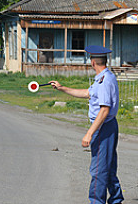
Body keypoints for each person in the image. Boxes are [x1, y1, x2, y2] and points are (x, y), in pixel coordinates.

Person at [50, 45, 124, 204]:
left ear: (93, 62)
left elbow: (104, 110)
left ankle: (97, 201)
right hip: (107, 126)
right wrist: (62, 88)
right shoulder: (104, 77)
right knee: (108, 166)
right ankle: (116, 199)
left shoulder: (104, 81)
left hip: (103, 127)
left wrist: (89, 133)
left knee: (98, 169)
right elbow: (87, 93)